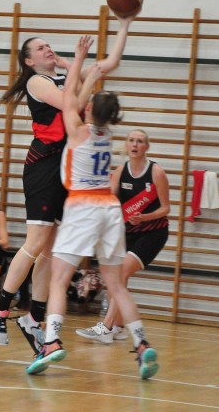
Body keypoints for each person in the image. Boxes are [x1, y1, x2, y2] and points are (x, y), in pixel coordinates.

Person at [0, 15, 134, 354]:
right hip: (43, 165)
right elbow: (75, 104)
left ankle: (33, 318)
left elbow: (109, 63)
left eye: (49, 45)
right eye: (40, 48)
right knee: (36, 242)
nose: (47, 49)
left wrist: (124, 25)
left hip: (67, 169)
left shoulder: (63, 75)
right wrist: (80, 65)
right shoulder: (37, 82)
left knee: (53, 250)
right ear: (29, 61)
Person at [25, 36, 159, 380]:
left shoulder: (76, 131)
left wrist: (78, 60)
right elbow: (82, 95)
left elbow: (69, 98)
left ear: (88, 111)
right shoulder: (106, 134)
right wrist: (87, 66)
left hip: (83, 206)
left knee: (58, 279)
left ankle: (51, 342)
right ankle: (141, 344)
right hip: (110, 208)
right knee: (117, 286)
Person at [76, 129, 170, 344]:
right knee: (115, 278)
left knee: (121, 274)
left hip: (153, 233)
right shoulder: (120, 171)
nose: (135, 144)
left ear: (147, 147)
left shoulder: (156, 173)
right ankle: (117, 328)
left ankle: (106, 327)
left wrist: (144, 217)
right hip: (127, 232)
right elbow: (110, 200)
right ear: (127, 145)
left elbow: (166, 208)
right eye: (131, 140)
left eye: (140, 141)